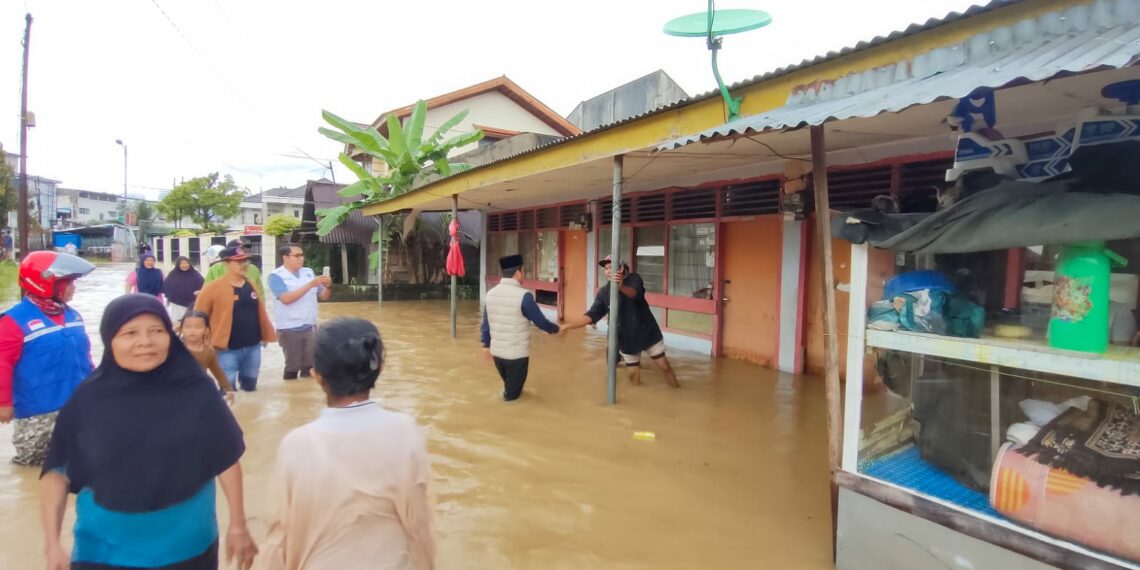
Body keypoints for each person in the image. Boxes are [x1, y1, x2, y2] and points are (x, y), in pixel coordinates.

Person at [40, 295, 258, 570]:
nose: (145, 341)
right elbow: (57, 473)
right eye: (130, 333)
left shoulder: (197, 390)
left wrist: (238, 525)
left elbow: (225, 459)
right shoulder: (87, 399)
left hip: (189, 549)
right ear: (110, 340)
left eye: (157, 331)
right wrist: (51, 544)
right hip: (104, 553)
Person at [262, 318, 435, 569]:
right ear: (381, 368)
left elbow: (279, 537)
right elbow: (420, 523)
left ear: (316, 376)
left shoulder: (296, 445)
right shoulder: (406, 431)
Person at [0, 251, 95, 466]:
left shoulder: (73, 315)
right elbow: (2, 364)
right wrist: (3, 403)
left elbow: (85, 358)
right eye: (68, 283)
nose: (73, 288)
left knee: (79, 464)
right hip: (38, 411)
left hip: (77, 406)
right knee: (32, 468)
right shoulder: (13, 321)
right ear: (44, 283)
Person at [561, 256, 679, 387]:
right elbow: (592, 315)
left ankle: (677, 391)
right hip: (627, 340)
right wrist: (569, 326)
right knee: (633, 376)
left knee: (664, 367)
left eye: (611, 267)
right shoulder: (604, 292)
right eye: (606, 268)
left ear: (621, 268)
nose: (607, 271)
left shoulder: (634, 279)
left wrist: (620, 287)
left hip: (648, 334)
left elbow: (635, 294)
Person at [194, 244, 276, 392]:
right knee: (228, 391)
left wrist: (265, 335)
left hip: (253, 347)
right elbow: (198, 317)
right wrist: (201, 345)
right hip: (226, 350)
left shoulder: (251, 284)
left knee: (250, 388)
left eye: (245, 261)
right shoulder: (212, 288)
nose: (244, 264)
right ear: (226, 263)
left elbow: (260, 312)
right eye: (238, 261)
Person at [480, 254, 561, 401]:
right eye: (523, 271)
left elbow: (486, 325)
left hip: (498, 355)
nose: (524, 275)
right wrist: (557, 329)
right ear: (517, 273)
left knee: (510, 390)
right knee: (512, 398)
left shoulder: (490, 294)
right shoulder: (524, 296)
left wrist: (486, 345)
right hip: (516, 357)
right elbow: (541, 322)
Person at [269, 243, 332, 380]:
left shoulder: (308, 272)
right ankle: (291, 394)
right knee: (292, 366)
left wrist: (328, 286)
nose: (301, 259)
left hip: (310, 326)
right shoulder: (276, 276)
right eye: (296, 256)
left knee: (310, 366)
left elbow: (323, 296)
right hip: (289, 328)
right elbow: (285, 299)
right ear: (285, 257)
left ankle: (306, 396)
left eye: (302, 255)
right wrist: (310, 285)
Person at [181, 310, 236, 405]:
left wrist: (228, 389)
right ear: (181, 329)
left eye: (198, 327)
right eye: (187, 327)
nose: (192, 331)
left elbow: (217, 371)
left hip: (200, 390)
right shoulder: (175, 348)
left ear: (206, 330)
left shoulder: (208, 350)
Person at [165, 256, 204, 326]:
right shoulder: (173, 274)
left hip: (192, 303)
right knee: (178, 322)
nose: (184, 265)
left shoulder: (195, 274)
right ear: (178, 264)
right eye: (182, 263)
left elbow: (203, 286)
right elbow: (167, 287)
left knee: (191, 321)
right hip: (177, 304)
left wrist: (199, 292)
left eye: (186, 263)